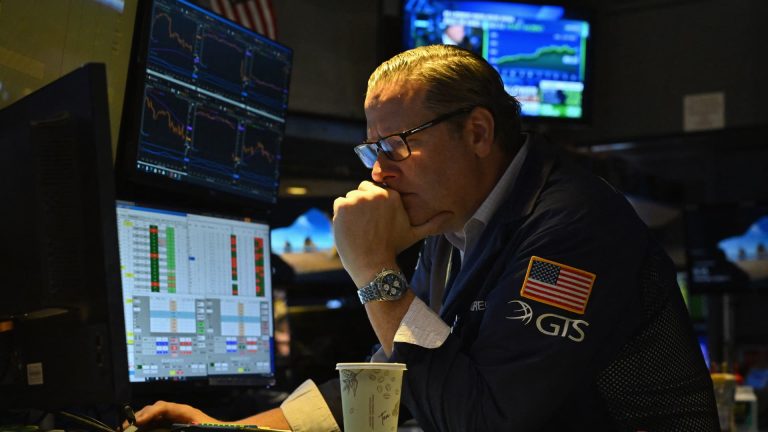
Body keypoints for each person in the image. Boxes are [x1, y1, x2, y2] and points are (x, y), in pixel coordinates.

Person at [131, 45, 719, 431]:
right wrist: (233, 429)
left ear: (478, 133)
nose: (378, 172)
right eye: (372, 149)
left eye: (396, 146)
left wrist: (373, 269)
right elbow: (392, 379)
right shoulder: (453, 219)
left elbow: (483, 422)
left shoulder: (573, 228)